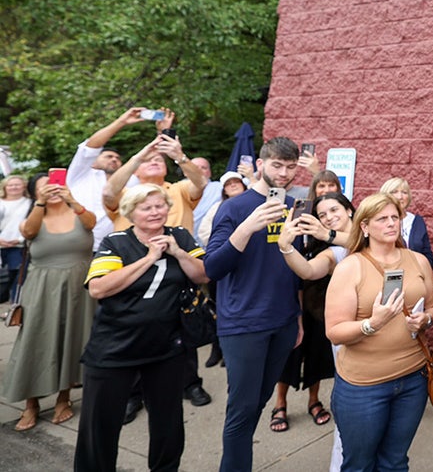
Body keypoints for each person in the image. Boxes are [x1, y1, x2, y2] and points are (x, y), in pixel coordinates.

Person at [73, 184, 208, 472]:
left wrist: (179, 253)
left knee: (168, 422)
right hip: (114, 347)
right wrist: (148, 258)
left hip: (166, 346)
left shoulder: (180, 236)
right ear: (130, 212)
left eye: (160, 205)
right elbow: (98, 288)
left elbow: (202, 274)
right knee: (100, 425)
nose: (155, 212)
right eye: (146, 208)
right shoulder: (116, 242)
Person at [320, 192, 433, 471]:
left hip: (413, 380)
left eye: (395, 217)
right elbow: (335, 332)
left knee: (395, 461)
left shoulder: (418, 261)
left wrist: (425, 319)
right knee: (360, 464)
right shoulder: (351, 267)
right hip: (364, 386)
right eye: (382, 219)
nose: (391, 224)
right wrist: (372, 324)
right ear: (364, 227)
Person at [204, 136, 302, 472]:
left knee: (257, 404)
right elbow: (212, 268)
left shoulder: (294, 205)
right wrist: (247, 227)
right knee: (242, 411)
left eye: (291, 167)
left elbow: (294, 267)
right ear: (260, 165)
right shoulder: (233, 208)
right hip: (243, 324)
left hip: (284, 321)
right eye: (277, 165)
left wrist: (298, 316)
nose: (285, 173)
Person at [1, 172, 95, 431]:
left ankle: (64, 398)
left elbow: (91, 222)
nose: (52, 190)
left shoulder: (79, 212)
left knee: (72, 340)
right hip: (42, 288)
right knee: (37, 343)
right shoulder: (32, 217)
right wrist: (41, 204)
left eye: (56, 185)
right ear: (34, 194)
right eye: (45, 188)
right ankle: (31, 404)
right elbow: (28, 232)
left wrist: (72, 200)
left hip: (79, 287)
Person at [268, 170, 343, 433]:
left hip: (324, 301)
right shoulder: (302, 215)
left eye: (330, 185)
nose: (325, 189)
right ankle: (280, 404)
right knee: (291, 351)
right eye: (320, 185)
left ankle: (314, 400)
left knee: (317, 354)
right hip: (296, 289)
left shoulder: (341, 219)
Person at [66, 107, 151, 252]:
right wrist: (121, 121)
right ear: (94, 161)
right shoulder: (80, 174)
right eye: (108, 156)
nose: (114, 160)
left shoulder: (132, 181)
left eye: (117, 158)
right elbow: (91, 147)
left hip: (120, 247)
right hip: (79, 248)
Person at [196, 171, 248, 369]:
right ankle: (217, 347)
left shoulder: (253, 205)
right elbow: (204, 232)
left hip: (246, 265)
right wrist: (229, 244)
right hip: (222, 263)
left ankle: (231, 352)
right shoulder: (217, 208)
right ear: (224, 189)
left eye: (237, 182)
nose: (233, 185)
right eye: (229, 183)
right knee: (218, 306)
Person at [104, 133, 205, 234]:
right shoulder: (125, 195)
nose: (154, 162)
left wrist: (179, 156)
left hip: (177, 248)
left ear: (166, 168)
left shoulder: (180, 189)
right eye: (146, 161)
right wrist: (138, 158)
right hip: (132, 248)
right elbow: (108, 193)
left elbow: (201, 182)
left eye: (158, 160)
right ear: (135, 171)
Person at [380, 176, 433, 268]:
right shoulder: (378, 220)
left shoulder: (417, 221)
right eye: (394, 192)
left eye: (404, 192)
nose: (400, 196)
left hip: (414, 275)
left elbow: (428, 256)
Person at [0, 174, 31, 301]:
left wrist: (20, 239)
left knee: (17, 278)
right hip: (0, 245)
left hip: (18, 246)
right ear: (5, 187)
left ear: (24, 186)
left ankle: (13, 308)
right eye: (11, 185)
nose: (14, 187)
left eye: (17, 184)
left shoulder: (30, 203)